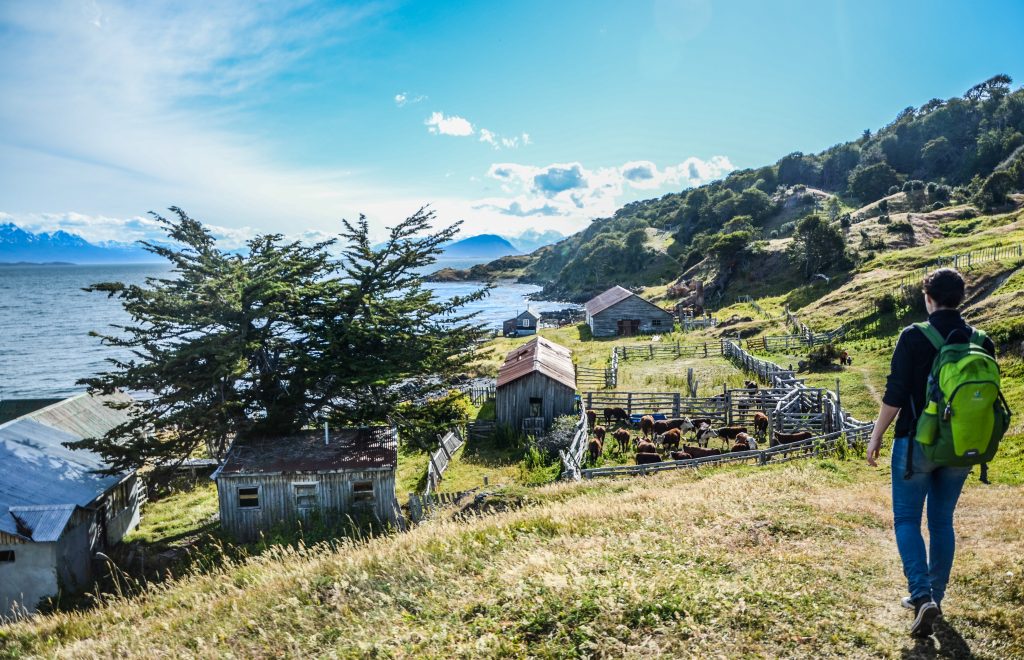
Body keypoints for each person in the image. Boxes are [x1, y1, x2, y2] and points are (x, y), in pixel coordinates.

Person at [866, 268, 995, 638]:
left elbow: (894, 393)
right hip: (960, 447)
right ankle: (935, 596)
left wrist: (877, 436)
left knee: (906, 519)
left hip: (915, 443)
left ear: (928, 298)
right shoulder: (981, 342)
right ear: (962, 298)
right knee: (941, 522)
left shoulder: (913, 336)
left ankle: (921, 596)